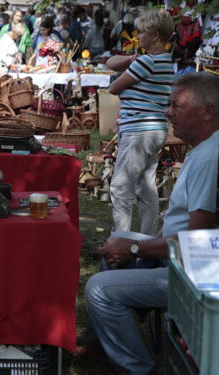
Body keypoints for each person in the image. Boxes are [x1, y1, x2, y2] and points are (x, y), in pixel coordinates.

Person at [84, 72, 219, 375]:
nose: (168, 112)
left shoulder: (210, 158)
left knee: (98, 288)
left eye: (176, 106)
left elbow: (198, 241)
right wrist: (136, 244)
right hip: (183, 261)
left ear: (207, 112)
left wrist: (135, 248)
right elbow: (182, 221)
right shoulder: (204, 149)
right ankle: (105, 339)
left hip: (193, 277)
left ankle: (141, 368)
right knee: (115, 240)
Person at [106, 9, 175, 236]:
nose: (138, 36)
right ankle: (147, 239)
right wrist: (130, 58)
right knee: (146, 188)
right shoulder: (165, 60)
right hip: (155, 129)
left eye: (142, 32)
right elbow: (110, 62)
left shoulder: (146, 61)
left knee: (120, 187)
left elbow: (113, 87)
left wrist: (133, 62)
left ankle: (121, 240)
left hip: (138, 130)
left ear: (154, 35)